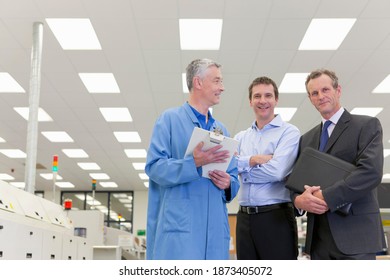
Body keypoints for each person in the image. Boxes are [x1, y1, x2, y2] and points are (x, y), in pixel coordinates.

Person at [145, 58, 240, 260]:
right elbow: (154, 168)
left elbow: (233, 177)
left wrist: (228, 184)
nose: (222, 88)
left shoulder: (221, 130)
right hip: (180, 235)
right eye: (217, 81)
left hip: (215, 234)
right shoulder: (169, 120)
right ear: (198, 83)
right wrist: (193, 162)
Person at [292, 69, 387, 260]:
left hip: (356, 236)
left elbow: (370, 172)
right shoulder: (306, 139)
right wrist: (297, 201)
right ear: (310, 99)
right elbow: (296, 180)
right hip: (318, 240)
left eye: (325, 90)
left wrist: (325, 196)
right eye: (314, 93)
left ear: (338, 90)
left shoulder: (366, 126)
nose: (321, 96)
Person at [234, 76, 300, 260]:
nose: (262, 101)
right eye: (257, 96)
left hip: (275, 217)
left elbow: (277, 171)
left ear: (276, 100)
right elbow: (229, 168)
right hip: (244, 218)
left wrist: (243, 169)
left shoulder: (289, 132)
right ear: (250, 101)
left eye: (268, 95)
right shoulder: (240, 138)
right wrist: (254, 160)